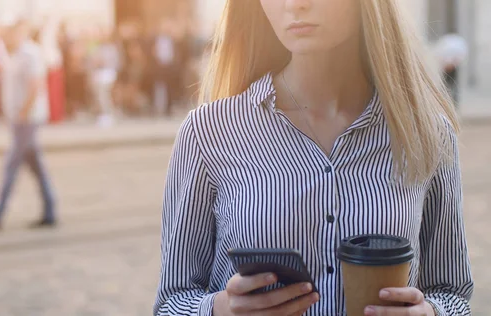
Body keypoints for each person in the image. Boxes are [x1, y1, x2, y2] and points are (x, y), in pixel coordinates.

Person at [154, 0, 473, 315]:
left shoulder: (427, 133)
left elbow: (453, 294)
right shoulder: (207, 132)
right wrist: (218, 309)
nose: (296, 4)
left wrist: (430, 312)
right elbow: (171, 303)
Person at [0, 20, 56, 230]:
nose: (7, 36)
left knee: (11, 165)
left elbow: (36, 85)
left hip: (27, 120)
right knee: (36, 166)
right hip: (17, 119)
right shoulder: (14, 54)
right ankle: (50, 210)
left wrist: (22, 113)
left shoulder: (31, 54)